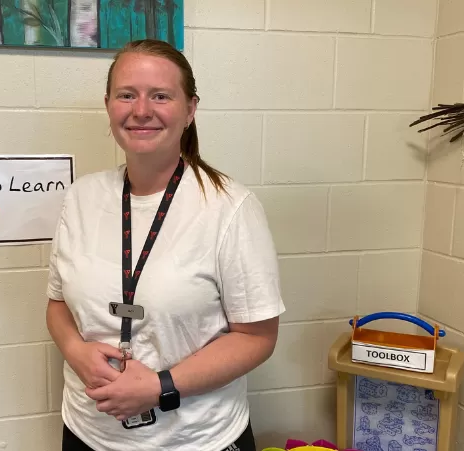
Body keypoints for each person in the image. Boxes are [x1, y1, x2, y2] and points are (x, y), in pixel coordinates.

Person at [46, 38, 285, 451]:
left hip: (195, 439)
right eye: (127, 95)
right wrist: (75, 350)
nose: (141, 110)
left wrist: (160, 385)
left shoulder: (230, 207)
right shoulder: (81, 198)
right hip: (88, 433)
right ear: (109, 105)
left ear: (190, 109)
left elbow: (257, 336)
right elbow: (57, 303)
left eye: (160, 96)